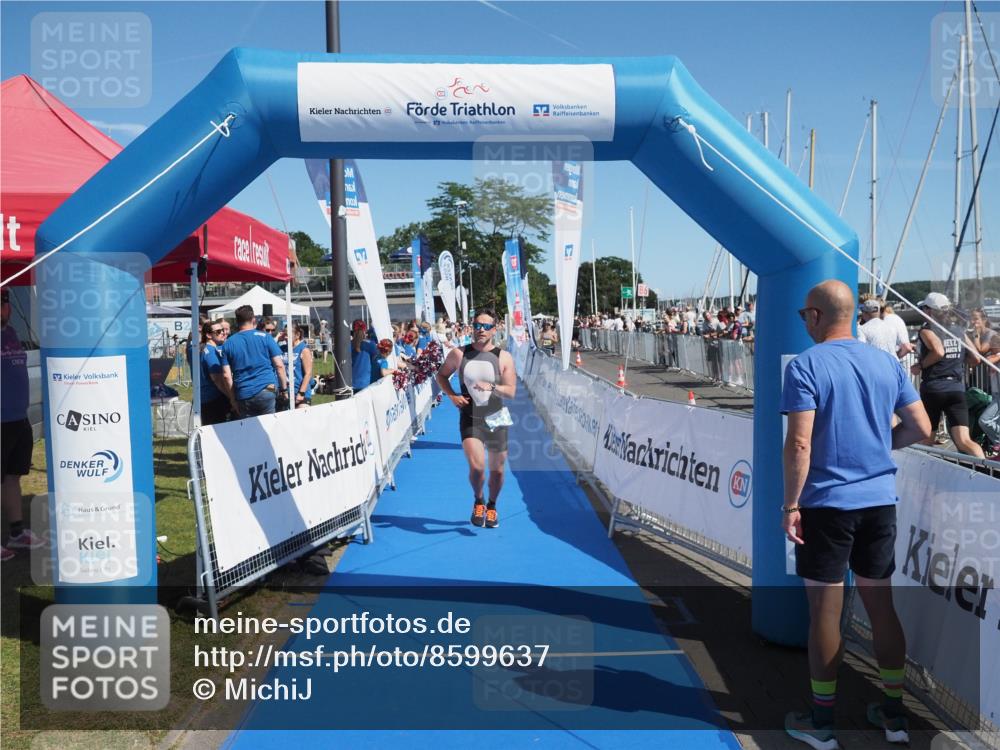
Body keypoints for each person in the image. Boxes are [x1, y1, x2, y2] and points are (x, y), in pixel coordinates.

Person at [781, 280, 931, 750]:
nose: (804, 322)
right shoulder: (886, 362)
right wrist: (874, 449)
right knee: (880, 608)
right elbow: (922, 428)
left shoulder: (807, 365)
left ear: (817, 316)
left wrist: (790, 504)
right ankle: (894, 717)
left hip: (827, 504)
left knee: (825, 613)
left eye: (805, 314)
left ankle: (822, 723)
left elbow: (800, 443)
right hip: (878, 501)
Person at [435, 310, 516, 529]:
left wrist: (490, 386)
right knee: (478, 468)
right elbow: (441, 375)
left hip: (497, 417)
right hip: (470, 417)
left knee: (498, 471)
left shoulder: (503, 357)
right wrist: (452, 395)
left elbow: (510, 392)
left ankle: (492, 505)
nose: (481, 330)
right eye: (477, 325)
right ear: (472, 327)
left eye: (486, 326)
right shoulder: (459, 354)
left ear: (494, 329)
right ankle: (478, 499)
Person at [911, 292, 984, 458]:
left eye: (924, 308)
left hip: (934, 388)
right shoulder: (959, 331)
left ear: (929, 311)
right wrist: (957, 360)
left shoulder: (926, 330)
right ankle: (989, 472)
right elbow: (976, 358)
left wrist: (920, 366)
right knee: (965, 440)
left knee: (927, 439)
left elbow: (939, 351)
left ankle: (925, 476)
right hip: (956, 389)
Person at [1, 290, 44, 561]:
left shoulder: (12, 334)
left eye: (6, 301)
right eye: (1, 301)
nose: (5, 306)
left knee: (13, 476)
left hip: (19, 416)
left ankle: (17, 532)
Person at [221, 305, 288, 417]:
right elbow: (279, 366)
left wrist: (232, 399)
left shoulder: (228, 343)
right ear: (253, 320)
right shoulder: (265, 337)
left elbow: (226, 376)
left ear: (237, 321)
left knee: (250, 431)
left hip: (244, 392)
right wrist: (284, 390)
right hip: (267, 388)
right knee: (268, 427)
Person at [199, 320, 237, 425]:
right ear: (208, 335)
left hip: (207, 399)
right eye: (219, 331)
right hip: (214, 400)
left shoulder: (205, 349)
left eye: (224, 330)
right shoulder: (211, 352)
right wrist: (232, 398)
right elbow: (218, 379)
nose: (223, 333)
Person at [856, 298, 910, 363]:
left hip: (877, 365)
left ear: (865, 313)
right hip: (894, 364)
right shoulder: (891, 326)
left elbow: (861, 352)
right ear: (878, 311)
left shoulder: (861, 329)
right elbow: (906, 347)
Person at [282, 324, 314, 407]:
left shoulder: (304, 349)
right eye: (284, 334)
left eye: (287, 335)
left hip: (301, 393)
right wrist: (277, 338)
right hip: (286, 393)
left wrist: (301, 393)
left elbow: (308, 373)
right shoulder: (283, 348)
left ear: (297, 335)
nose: (285, 337)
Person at [970, 308, 1000, 396]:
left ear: (984, 320)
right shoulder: (971, 333)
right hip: (976, 377)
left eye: (975, 319)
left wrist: (976, 334)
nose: (972, 321)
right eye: (971, 318)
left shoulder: (991, 334)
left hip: (989, 379)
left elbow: (981, 350)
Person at [351, 320, 379, 393]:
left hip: (349, 383)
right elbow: (376, 359)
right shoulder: (370, 344)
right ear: (365, 330)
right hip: (366, 383)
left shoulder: (347, 345)